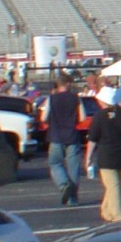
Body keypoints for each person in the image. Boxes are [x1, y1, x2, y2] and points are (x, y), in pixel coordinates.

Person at [85, 85, 121, 223]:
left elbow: (92, 139)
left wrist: (88, 158)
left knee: (113, 187)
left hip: (106, 157)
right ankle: (106, 212)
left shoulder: (99, 117)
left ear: (102, 101)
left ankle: (119, 217)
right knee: (115, 188)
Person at [41, 72, 83, 206]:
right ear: (68, 84)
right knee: (73, 169)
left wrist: (53, 122)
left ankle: (63, 184)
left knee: (55, 163)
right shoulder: (76, 98)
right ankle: (73, 199)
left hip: (55, 136)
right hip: (72, 136)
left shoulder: (51, 99)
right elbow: (82, 117)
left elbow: (43, 118)